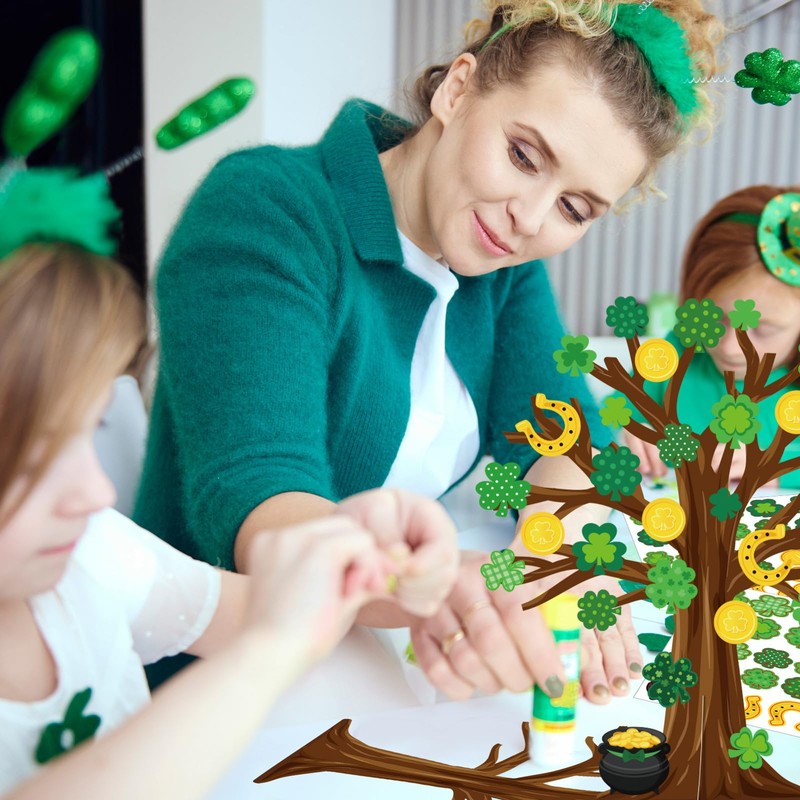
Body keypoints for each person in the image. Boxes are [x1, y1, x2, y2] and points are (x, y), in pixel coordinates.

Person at [134, 0, 724, 703]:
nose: (530, 217)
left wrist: (555, 557)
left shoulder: (500, 263)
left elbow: (566, 438)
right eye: (523, 155)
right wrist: (455, 591)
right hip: (222, 682)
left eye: (574, 208)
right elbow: (267, 513)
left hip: (370, 650)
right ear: (458, 89)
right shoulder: (266, 210)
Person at [0, 243, 460, 799]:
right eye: (36, 460)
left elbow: (274, 611)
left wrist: (361, 549)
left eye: (89, 432)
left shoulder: (95, 554)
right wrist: (268, 650)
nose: (98, 491)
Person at [623, 184, 800, 488]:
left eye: (763, 329)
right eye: (714, 319)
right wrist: (626, 433)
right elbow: (605, 414)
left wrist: (777, 468)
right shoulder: (678, 352)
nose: (730, 347)